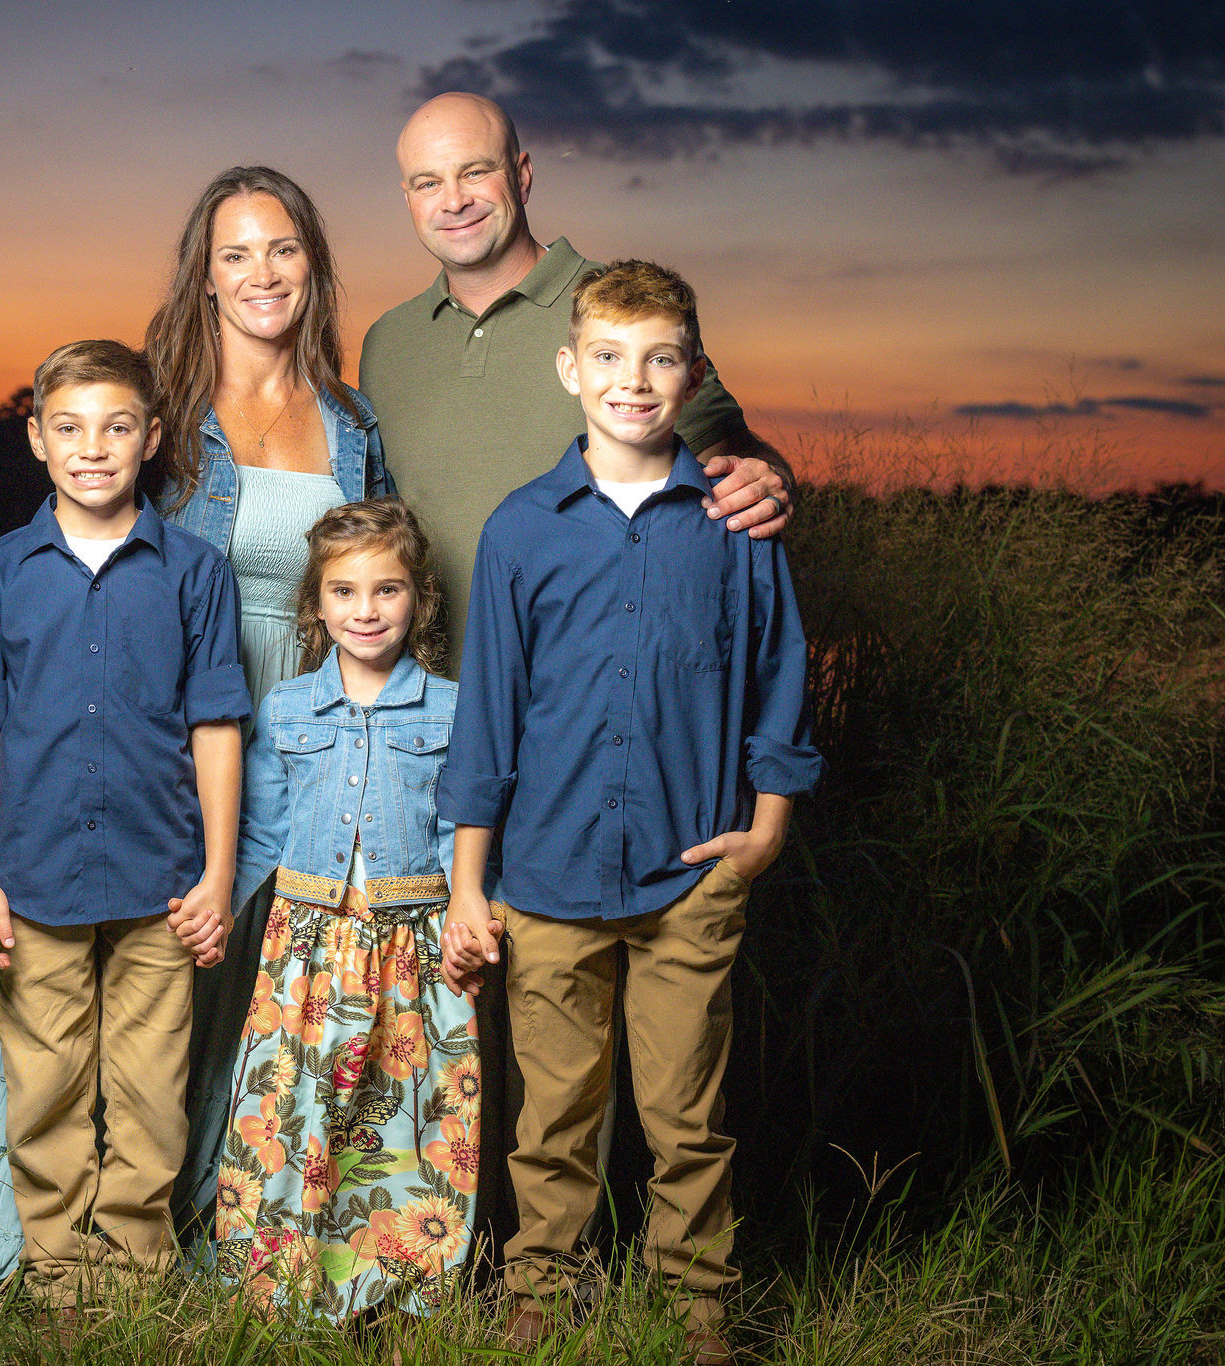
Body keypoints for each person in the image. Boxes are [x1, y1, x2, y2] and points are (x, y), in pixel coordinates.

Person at [0, 167, 392, 1280]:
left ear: (314, 262)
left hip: (298, 729)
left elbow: (372, 579)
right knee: (108, 992)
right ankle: (44, 1230)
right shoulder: (164, 419)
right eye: (232, 254)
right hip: (163, 742)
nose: (259, 274)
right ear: (200, 276)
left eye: (280, 249)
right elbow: (76, 561)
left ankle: (219, 1220)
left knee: (255, 994)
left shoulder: (350, 420)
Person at [437, 262, 825, 1363]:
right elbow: (490, 716)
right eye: (607, 357)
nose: (633, 381)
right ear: (570, 370)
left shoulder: (734, 524)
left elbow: (776, 673)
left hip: (689, 868)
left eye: (660, 359)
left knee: (684, 1114)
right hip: (547, 871)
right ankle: (539, 1288)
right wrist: (471, 880)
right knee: (551, 1113)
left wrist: (765, 826)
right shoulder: (520, 530)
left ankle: (698, 1303)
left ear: (692, 373)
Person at [0, 338, 253, 1316]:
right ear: (36, 439)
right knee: (45, 1086)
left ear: (151, 438)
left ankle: (136, 1264)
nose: (93, 448)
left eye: (117, 427)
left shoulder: (194, 573)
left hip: (160, 879)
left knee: (154, 1090)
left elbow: (215, 726)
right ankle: (59, 1270)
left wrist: (215, 872)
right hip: (32, 880)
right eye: (68, 428)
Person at [360, 92, 794, 664]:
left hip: (585, 705)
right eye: (427, 182)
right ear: (408, 198)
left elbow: (734, 454)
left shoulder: (618, 311)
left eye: (475, 172)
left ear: (522, 174)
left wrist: (767, 481)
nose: (455, 200)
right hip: (419, 709)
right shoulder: (386, 342)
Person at [210, 499, 477, 1319]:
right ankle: (281, 1281)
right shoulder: (288, 708)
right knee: (294, 1104)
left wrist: (473, 920)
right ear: (316, 605)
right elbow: (259, 826)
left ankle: (398, 1284)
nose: (366, 611)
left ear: (420, 601)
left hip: (413, 942)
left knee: (409, 1109)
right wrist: (214, 904)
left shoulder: (454, 708)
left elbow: (460, 831)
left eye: (388, 591)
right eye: (345, 592)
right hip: (307, 952)